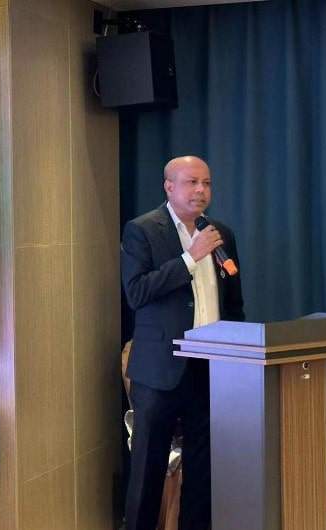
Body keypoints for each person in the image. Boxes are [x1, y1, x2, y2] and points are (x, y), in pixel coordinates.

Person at [121, 156, 245, 530]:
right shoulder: (143, 230)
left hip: (209, 369)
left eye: (206, 183)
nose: (201, 191)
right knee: (148, 471)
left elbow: (233, 304)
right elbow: (136, 292)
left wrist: (235, 356)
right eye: (192, 182)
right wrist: (190, 258)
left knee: (203, 471)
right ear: (169, 186)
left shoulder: (220, 234)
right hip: (161, 370)